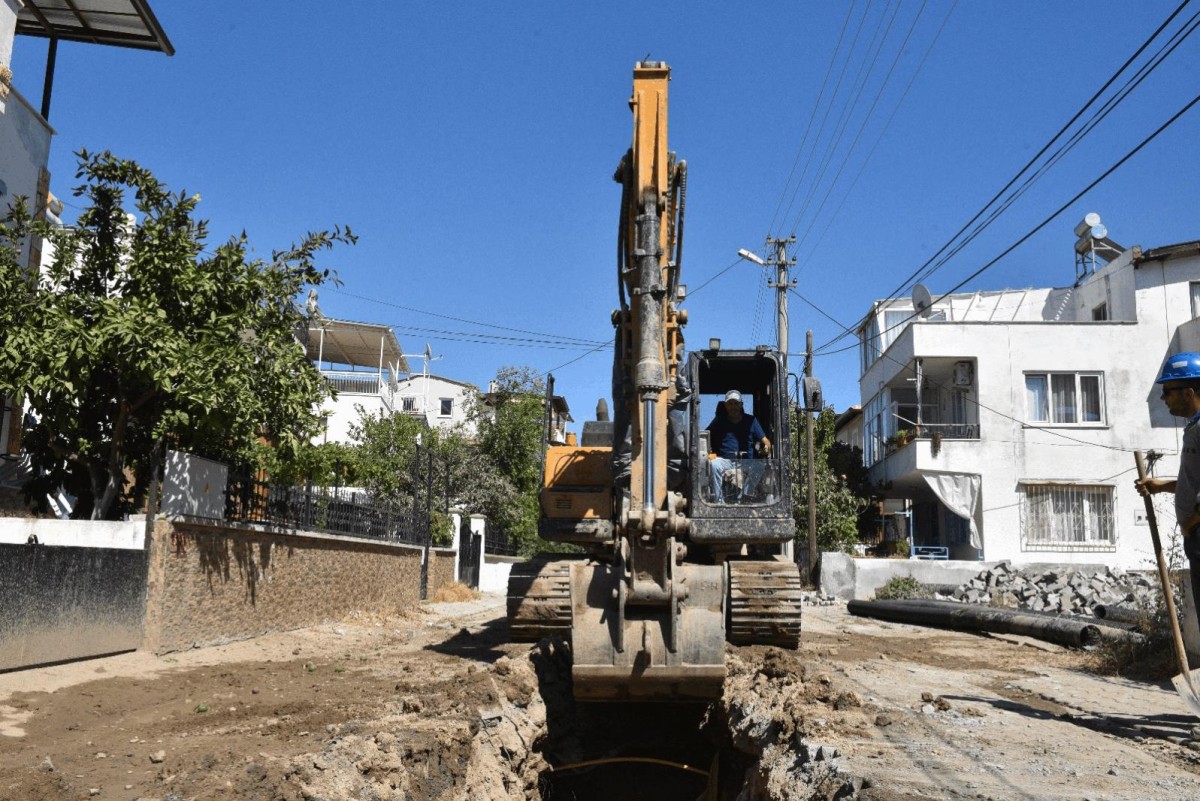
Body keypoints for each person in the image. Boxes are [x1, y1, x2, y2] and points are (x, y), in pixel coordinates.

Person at [1135, 351, 1200, 643]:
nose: (1163, 398)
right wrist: (1162, 486)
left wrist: (1191, 522)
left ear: (1188, 392)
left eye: (1168, 391)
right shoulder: (1194, 428)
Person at [706, 389, 771, 503]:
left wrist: (766, 447)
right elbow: (705, 437)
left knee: (759, 466)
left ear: (741, 405)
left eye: (736, 403)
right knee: (714, 464)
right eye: (730, 404)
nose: (733, 407)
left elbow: (766, 441)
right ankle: (719, 502)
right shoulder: (719, 421)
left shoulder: (751, 421)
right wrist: (709, 455)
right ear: (725, 406)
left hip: (746, 462)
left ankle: (745, 497)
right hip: (725, 461)